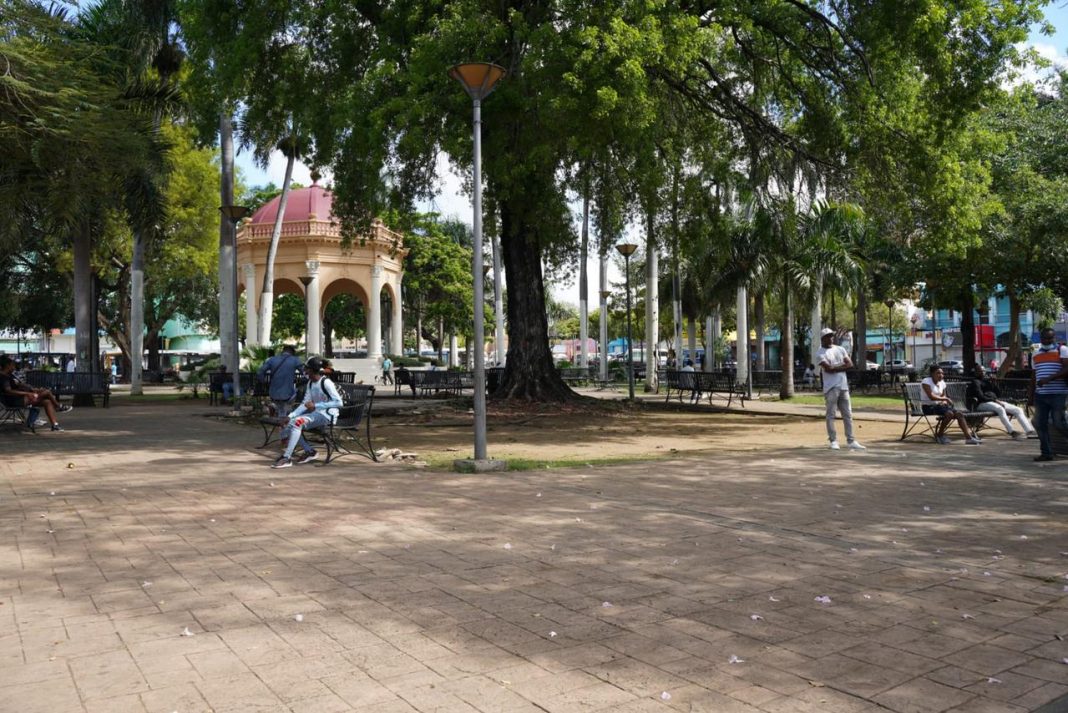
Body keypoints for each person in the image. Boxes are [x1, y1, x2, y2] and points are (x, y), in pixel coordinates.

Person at [272, 357, 343, 468]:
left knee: (297, 422)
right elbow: (305, 403)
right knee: (291, 423)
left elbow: (339, 402)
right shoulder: (310, 383)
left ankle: (287, 457)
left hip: (328, 416)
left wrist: (317, 405)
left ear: (313, 370)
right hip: (316, 415)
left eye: (307, 369)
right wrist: (290, 416)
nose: (305, 371)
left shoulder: (326, 382)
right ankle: (310, 451)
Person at [817, 328, 865, 451]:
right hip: (831, 387)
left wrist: (835, 367)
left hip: (843, 386)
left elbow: (850, 364)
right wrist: (841, 366)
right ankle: (833, 440)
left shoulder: (840, 349)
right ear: (822, 338)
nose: (831, 338)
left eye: (831, 336)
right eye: (828, 336)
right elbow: (828, 369)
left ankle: (851, 440)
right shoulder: (820, 353)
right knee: (831, 415)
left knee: (848, 414)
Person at [966, 364, 1035, 440]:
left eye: (983, 370)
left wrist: (994, 383)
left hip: (995, 402)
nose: (982, 372)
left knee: (1018, 410)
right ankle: (1011, 431)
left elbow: (998, 394)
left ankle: (1029, 431)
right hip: (981, 404)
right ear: (976, 372)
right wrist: (995, 400)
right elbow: (980, 397)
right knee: (1000, 408)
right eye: (980, 371)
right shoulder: (975, 382)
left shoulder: (987, 381)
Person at [0, 355, 69, 431]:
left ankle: (55, 425)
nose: (14, 367)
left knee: (47, 402)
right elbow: (9, 391)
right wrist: (27, 393)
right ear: (7, 366)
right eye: (12, 365)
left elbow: (18, 385)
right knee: (47, 392)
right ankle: (58, 406)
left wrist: (32, 389)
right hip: (13, 401)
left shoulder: (10, 375)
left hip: (20, 398)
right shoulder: (3, 377)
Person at [1029, 327, 1068, 461]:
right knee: (1040, 423)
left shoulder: (1062, 350)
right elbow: (1034, 376)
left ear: (1054, 338)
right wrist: (1031, 396)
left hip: (1058, 393)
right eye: (1045, 338)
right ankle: (1046, 453)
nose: (1047, 340)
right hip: (1041, 395)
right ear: (1041, 339)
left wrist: (1049, 378)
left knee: (1059, 423)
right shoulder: (1035, 353)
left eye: (1050, 338)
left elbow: (1066, 369)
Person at [922, 366, 980, 445]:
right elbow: (931, 396)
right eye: (938, 373)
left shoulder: (942, 383)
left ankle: (968, 438)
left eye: (942, 373)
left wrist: (944, 401)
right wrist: (945, 399)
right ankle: (940, 435)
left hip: (940, 406)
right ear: (932, 374)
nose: (941, 375)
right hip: (928, 406)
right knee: (949, 414)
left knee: (959, 414)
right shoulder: (926, 381)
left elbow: (943, 396)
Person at [257, 345, 302, 417]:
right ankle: (281, 414)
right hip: (288, 394)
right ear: (292, 353)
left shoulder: (272, 359)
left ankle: (274, 406)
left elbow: (260, 372)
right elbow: (305, 373)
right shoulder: (295, 360)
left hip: (273, 393)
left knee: (280, 405)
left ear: (283, 351)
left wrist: (264, 382)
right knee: (297, 392)